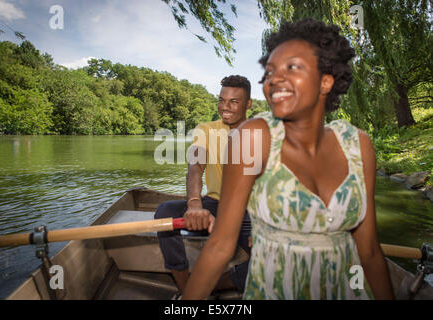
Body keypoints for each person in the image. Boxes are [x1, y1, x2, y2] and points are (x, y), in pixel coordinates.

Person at [182, 18, 395, 300]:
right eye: (270, 72)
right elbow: (220, 245)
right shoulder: (252, 136)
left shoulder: (359, 145)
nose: (274, 80)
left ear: (325, 82)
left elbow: (368, 252)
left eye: (292, 67)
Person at [154, 75, 253, 297]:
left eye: (233, 102)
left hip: (249, 212)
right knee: (165, 212)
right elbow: (195, 167)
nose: (225, 108)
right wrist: (195, 203)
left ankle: (202, 286)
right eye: (221, 100)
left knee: (272, 261)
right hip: (214, 204)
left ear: (248, 104)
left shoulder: (260, 132)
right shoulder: (205, 129)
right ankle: (185, 292)